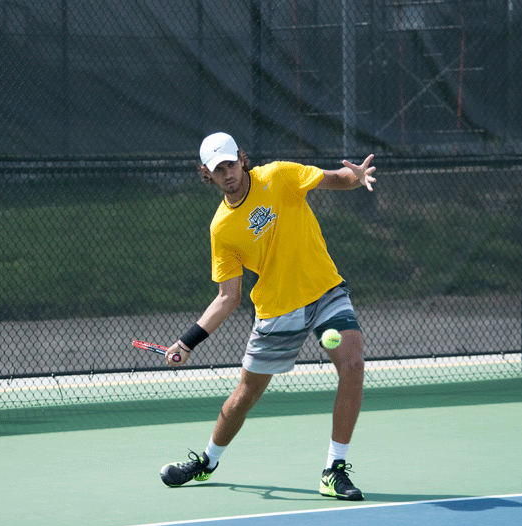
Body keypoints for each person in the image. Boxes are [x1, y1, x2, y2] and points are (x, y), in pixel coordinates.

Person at [160, 132, 376, 501]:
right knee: (245, 395)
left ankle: (333, 470)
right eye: (217, 169)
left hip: (324, 288)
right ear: (206, 174)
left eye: (230, 164)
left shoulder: (278, 175)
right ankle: (207, 463)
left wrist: (356, 177)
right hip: (277, 309)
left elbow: (332, 178)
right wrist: (187, 341)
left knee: (353, 363)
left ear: (242, 159)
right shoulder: (222, 229)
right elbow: (228, 297)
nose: (227, 173)